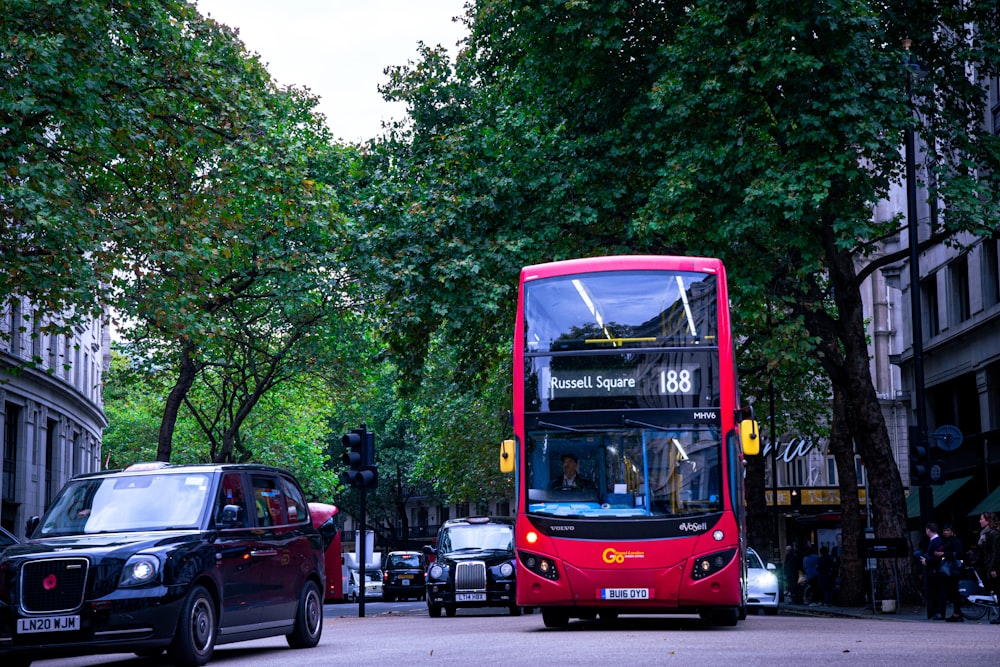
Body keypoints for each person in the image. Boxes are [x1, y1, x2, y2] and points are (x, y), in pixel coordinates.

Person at [920, 522, 947, 620]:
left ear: (928, 530)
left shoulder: (936, 541)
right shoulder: (937, 541)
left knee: (938, 592)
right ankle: (937, 611)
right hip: (935, 570)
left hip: (935, 570)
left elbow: (937, 557)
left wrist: (927, 561)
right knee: (937, 592)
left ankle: (939, 612)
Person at [937, 524, 965, 622]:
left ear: (952, 531)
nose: (945, 532)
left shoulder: (955, 541)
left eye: (947, 530)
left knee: (954, 591)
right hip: (949, 569)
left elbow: (959, 554)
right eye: (944, 530)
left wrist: (944, 554)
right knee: (952, 592)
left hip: (953, 570)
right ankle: (957, 613)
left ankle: (957, 613)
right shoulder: (946, 541)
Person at [980, 511, 1000, 624]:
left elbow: (995, 553)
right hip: (991, 565)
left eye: (982, 519)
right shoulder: (988, 534)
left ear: (988, 521)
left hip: (995, 567)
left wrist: (993, 568)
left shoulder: (993, 534)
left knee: (998, 589)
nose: (980, 521)